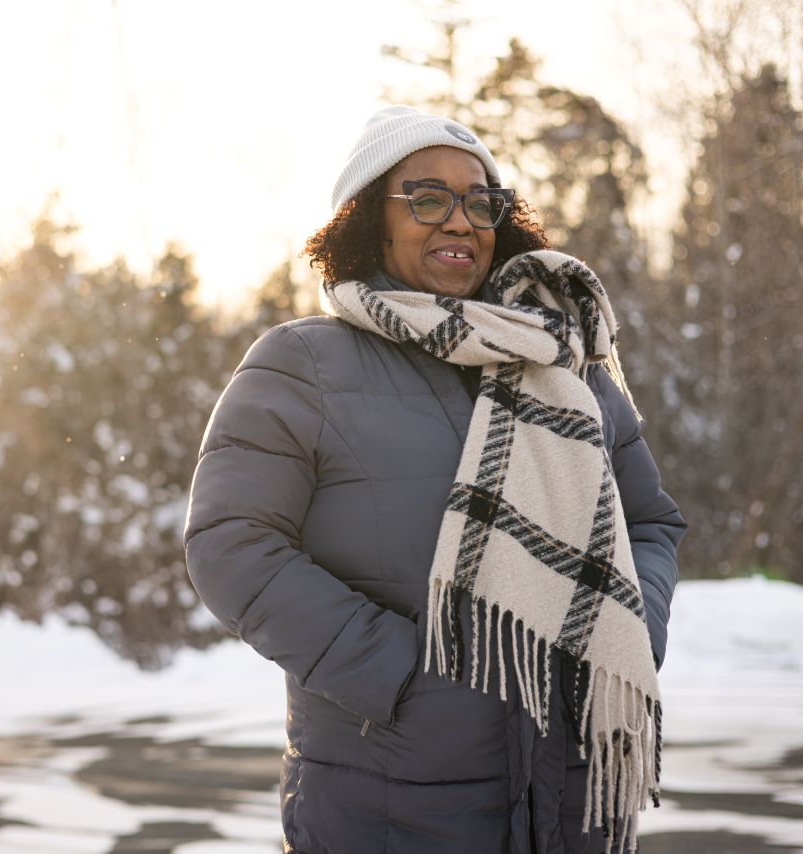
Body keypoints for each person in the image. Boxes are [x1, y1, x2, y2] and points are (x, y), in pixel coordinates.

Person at [183, 105, 687, 854]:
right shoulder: (303, 365)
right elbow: (230, 544)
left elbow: (650, 523)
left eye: (481, 202)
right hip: (390, 800)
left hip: (573, 795)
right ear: (369, 222)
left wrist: (622, 638)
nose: (461, 221)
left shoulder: (563, 370)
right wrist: (399, 676)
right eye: (427, 198)